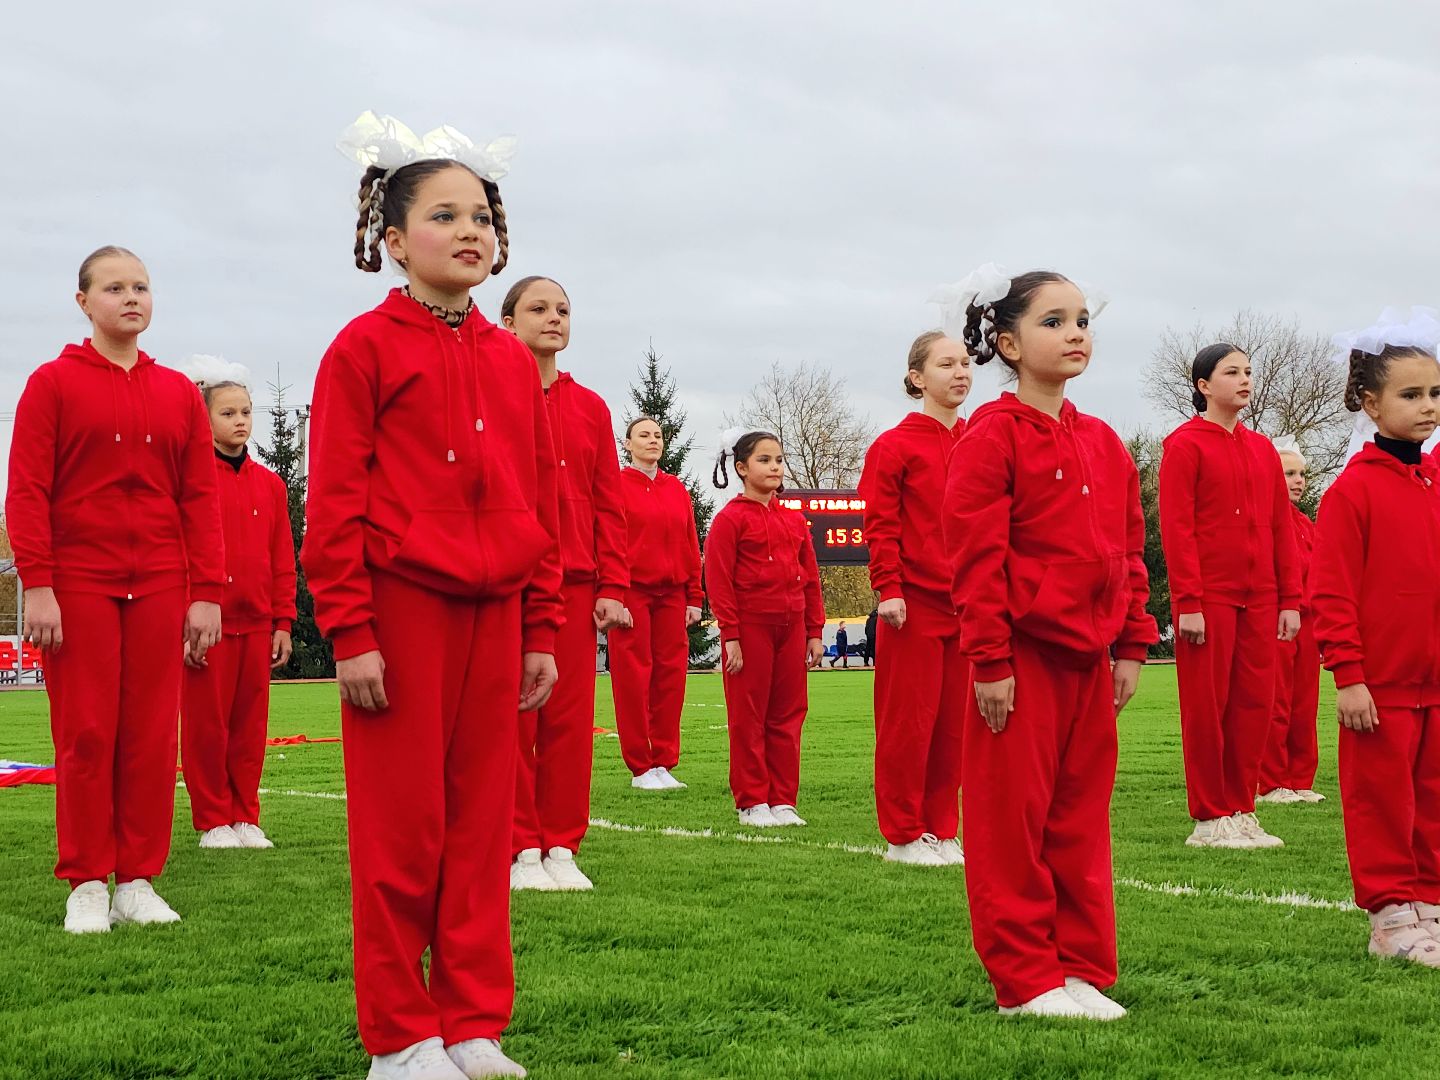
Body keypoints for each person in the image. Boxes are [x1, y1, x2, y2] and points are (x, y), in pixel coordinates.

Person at [306, 113, 561, 1080]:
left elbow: (538, 500)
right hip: (401, 612)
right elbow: (332, 503)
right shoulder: (361, 350)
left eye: (483, 217)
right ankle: (400, 1036)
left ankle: (472, 1020)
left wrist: (542, 625)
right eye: (444, 214)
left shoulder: (508, 359)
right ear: (390, 233)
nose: (470, 231)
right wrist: (352, 631)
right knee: (401, 830)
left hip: (498, 618)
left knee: (481, 824)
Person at [941, 265, 1156, 1020]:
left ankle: (1080, 967)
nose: (1075, 334)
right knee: (1011, 823)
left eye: (1083, 320)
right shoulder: (991, 435)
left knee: (1077, 819)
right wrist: (991, 659)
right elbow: (975, 556)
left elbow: (1130, 550)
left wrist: (1131, 642)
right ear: (1006, 342)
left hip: (1088, 661)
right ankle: (1026, 980)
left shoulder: (1103, 442)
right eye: (1054, 321)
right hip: (1022, 658)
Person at [6, 246, 223, 934]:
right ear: (83, 302)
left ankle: (137, 878)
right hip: (78, 584)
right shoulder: (52, 384)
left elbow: (199, 496)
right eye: (114, 288)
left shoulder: (179, 394)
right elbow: (28, 490)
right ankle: (86, 883)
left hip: (162, 580)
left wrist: (206, 592)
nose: (131, 298)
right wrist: (37, 585)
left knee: (154, 736)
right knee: (88, 732)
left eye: (142, 287)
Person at [1309, 310, 1440, 967]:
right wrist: (1349, 674)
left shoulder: (1435, 482)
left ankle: (1431, 908)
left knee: (1434, 799)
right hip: (1381, 683)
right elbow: (1331, 593)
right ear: (1370, 403)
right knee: (1383, 801)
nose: (1427, 407)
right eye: (1411, 395)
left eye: (1436, 394)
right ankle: (1391, 918)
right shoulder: (1351, 492)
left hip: (1435, 682)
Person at [501, 275, 629, 892]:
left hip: (576, 585)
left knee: (569, 722)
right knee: (512, 719)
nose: (554, 319)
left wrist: (613, 584)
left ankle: (561, 844)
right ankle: (519, 845)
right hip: (506, 581)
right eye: (538, 309)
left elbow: (610, 502)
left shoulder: (592, 409)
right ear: (509, 321)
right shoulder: (492, 391)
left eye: (563, 310)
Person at [1159, 343, 1300, 850]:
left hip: (1261, 596)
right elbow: (1176, 528)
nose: (1244, 379)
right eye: (1231, 372)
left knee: (1253, 706)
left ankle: (1242, 809)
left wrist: (1290, 598)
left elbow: (1282, 527)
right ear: (1203, 386)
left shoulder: (1263, 449)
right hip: (1209, 598)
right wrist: (1189, 601)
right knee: (1207, 706)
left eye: (1247, 371)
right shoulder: (1184, 445)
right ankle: (1210, 815)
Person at [859, 328, 971, 867]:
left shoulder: (981, 441)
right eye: (947, 363)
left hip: (971, 605)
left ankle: (943, 829)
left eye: (967, 362)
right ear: (916, 377)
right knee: (909, 722)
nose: (961, 372)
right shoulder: (894, 446)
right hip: (915, 604)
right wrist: (889, 588)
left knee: (956, 725)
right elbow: (881, 524)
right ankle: (903, 834)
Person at [175, 357, 297, 850]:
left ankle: (246, 814)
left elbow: (282, 556)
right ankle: (212, 819)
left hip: (258, 622)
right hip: (209, 625)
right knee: (208, 728)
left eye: (246, 411)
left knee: (250, 728)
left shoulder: (270, 485)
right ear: (204, 420)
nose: (240, 421)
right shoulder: (189, 482)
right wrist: (186, 618)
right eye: (227, 413)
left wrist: (283, 620)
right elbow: (180, 553)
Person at [706, 430, 824, 827]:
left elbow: (810, 578)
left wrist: (814, 631)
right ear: (741, 468)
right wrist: (731, 635)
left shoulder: (794, 521)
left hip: (791, 626)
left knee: (789, 714)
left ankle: (783, 799)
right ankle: (752, 800)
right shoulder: (730, 520)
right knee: (749, 714)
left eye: (778, 460)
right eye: (764, 460)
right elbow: (718, 581)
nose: (775, 467)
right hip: (751, 626)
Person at [609, 416, 703, 791]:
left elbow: (689, 541)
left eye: (658, 435)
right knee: (633, 676)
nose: (653, 441)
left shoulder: (675, 488)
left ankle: (663, 760)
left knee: (670, 677)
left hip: (673, 593)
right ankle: (639, 764)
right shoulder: (616, 485)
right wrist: (614, 593)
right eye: (644, 435)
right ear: (628, 444)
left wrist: (694, 596)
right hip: (632, 590)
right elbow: (610, 539)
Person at [1256, 437, 1324, 805]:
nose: (1299, 481)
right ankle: (1271, 781)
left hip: (1309, 623)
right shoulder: (1265, 522)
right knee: (1276, 701)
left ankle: (1300, 779)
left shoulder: (1306, 525)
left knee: (1304, 704)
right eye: (1289, 474)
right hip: (1277, 619)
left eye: (1301, 474)